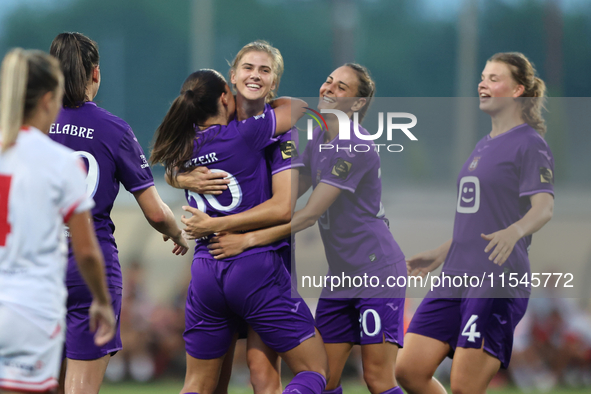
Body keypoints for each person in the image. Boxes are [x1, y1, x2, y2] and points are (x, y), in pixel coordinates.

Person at [201, 63, 407, 394]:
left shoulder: (355, 145)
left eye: (341, 87)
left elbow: (308, 214)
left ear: (356, 104)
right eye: (328, 80)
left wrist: (247, 239)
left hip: (377, 271)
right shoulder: (320, 140)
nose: (328, 89)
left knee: (377, 379)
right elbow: (282, 195)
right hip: (341, 276)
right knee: (325, 378)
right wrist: (188, 176)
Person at [151, 69, 328, 394]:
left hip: (205, 271)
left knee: (200, 384)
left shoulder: (186, 142)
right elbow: (299, 109)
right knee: (315, 370)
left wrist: (177, 178)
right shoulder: (248, 133)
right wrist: (263, 100)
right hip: (254, 265)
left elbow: (170, 168)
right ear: (224, 96)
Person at [395, 52, 555, 394]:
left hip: (496, 278)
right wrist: (441, 253)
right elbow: (481, 220)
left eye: (494, 78)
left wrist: (515, 232)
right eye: (483, 77)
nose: (483, 83)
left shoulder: (530, 144)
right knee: (409, 370)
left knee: (465, 387)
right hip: (456, 273)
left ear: (517, 90)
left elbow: (544, 208)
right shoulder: (483, 145)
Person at [48, 32, 189, 394]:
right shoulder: (114, 129)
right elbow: (156, 213)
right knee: (80, 387)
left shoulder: (28, 126)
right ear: (96, 74)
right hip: (89, 266)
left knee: (32, 381)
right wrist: (176, 233)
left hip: (37, 262)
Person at [170, 41, 294, 394]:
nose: (255, 75)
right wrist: (179, 176)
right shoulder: (221, 127)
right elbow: (171, 161)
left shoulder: (283, 132)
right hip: (225, 261)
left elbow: (285, 207)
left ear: (275, 83)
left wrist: (234, 233)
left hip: (264, 256)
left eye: (265, 70)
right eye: (248, 68)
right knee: (215, 378)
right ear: (232, 78)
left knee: (261, 372)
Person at [0, 48, 115, 394]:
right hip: (31, 308)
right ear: (49, 99)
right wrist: (102, 301)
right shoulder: (60, 163)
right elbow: (87, 251)